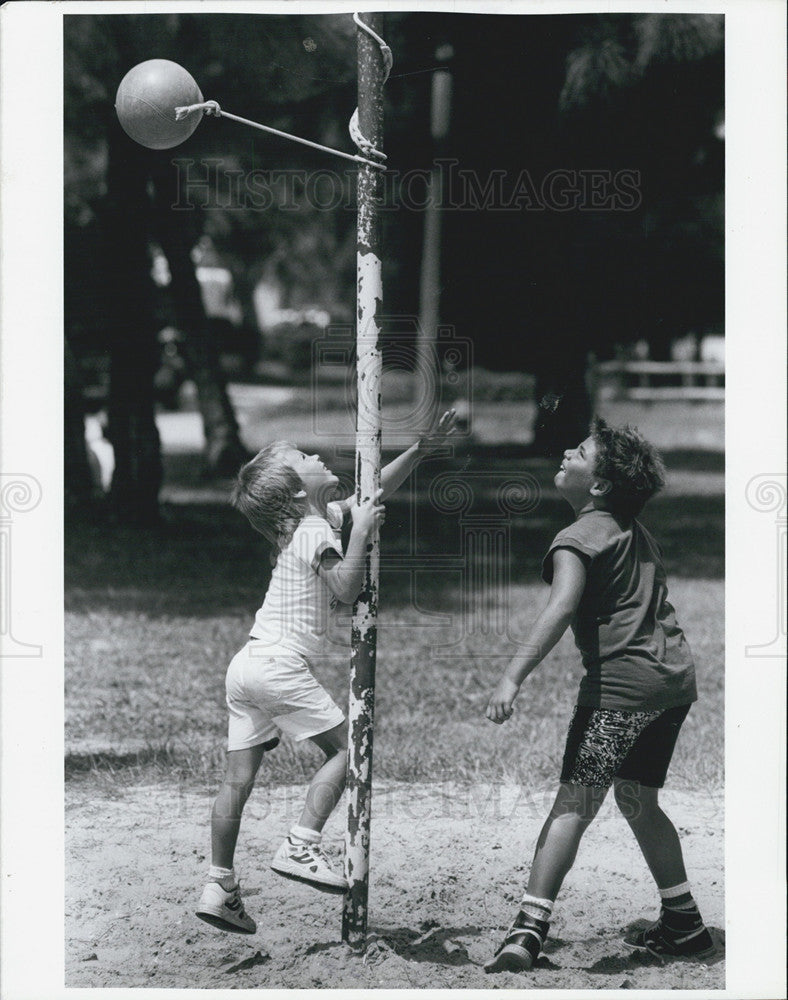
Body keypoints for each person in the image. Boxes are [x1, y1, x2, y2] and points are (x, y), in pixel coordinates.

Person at [196, 411, 456, 934]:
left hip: (246, 665)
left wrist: (421, 450)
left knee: (237, 780)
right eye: (304, 459)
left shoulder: (312, 522)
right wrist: (360, 535)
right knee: (351, 748)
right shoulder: (317, 529)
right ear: (296, 493)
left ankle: (218, 883)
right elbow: (344, 587)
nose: (318, 456)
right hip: (278, 665)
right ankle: (302, 843)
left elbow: (372, 491)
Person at [484, 417, 715, 973]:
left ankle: (527, 931)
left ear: (598, 486)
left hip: (620, 691)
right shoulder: (632, 531)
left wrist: (513, 676)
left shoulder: (577, 538)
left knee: (574, 803)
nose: (566, 450)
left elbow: (562, 607)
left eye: (580, 450)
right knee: (637, 798)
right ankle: (684, 925)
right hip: (672, 684)